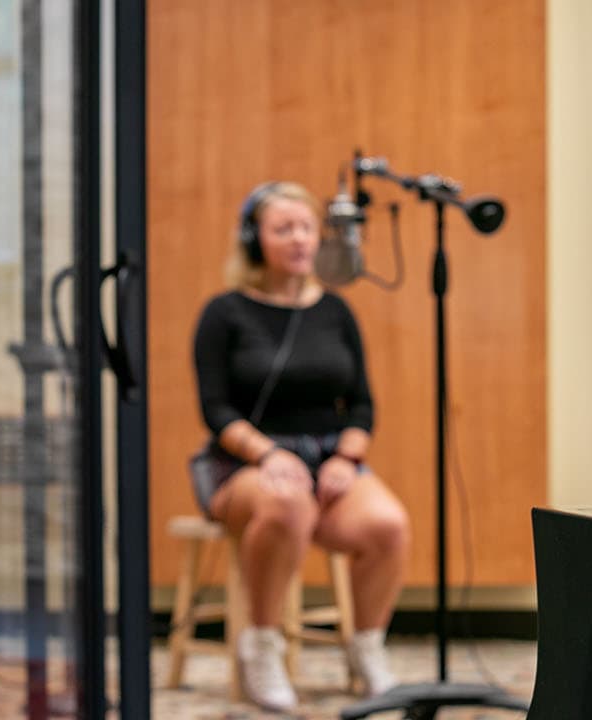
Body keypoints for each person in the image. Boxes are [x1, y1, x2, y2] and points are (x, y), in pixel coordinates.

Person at [192, 181, 408, 711]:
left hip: (329, 457)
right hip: (244, 461)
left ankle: (366, 649)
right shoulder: (224, 312)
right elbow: (216, 410)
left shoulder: (336, 311)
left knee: (387, 524)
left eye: (306, 228)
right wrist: (269, 454)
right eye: (282, 228)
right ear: (252, 239)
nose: (298, 240)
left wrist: (345, 458)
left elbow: (361, 406)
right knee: (287, 502)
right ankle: (261, 647)